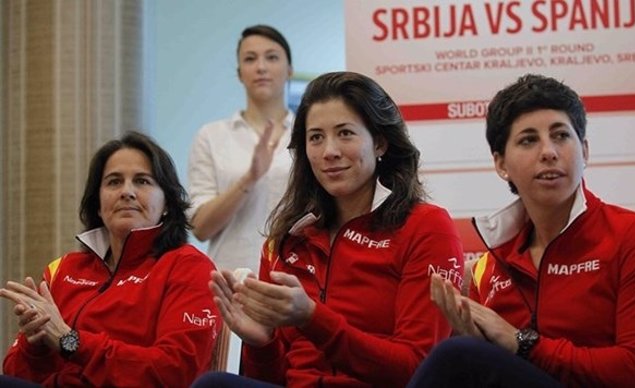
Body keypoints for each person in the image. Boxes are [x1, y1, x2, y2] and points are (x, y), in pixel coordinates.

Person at [191, 71, 465, 388]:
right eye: (316, 137)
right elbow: (273, 379)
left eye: (345, 133)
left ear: (379, 142)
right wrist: (260, 343)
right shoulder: (287, 239)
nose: (328, 151)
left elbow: (417, 369)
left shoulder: (426, 226)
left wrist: (313, 318)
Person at [407, 74, 635, 387]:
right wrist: (486, 345)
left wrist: (521, 343)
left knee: (458, 355)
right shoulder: (493, 264)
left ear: (585, 151)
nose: (549, 151)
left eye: (561, 135)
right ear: (501, 164)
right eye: (528, 139)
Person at [0, 131, 220, 387]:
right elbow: (15, 375)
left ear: (168, 203)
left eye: (143, 181)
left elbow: (176, 373)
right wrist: (35, 342)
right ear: (98, 204)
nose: (127, 192)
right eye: (114, 182)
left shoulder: (189, 267)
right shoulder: (63, 270)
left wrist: (69, 341)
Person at [188, 24, 294, 273]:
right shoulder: (211, 136)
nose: (261, 67)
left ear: (289, 70)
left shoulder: (310, 135)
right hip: (230, 281)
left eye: (272, 57)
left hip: (297, 280)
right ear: (239, 73)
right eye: (250, 59)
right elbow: (201, 228)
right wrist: (250, 178)